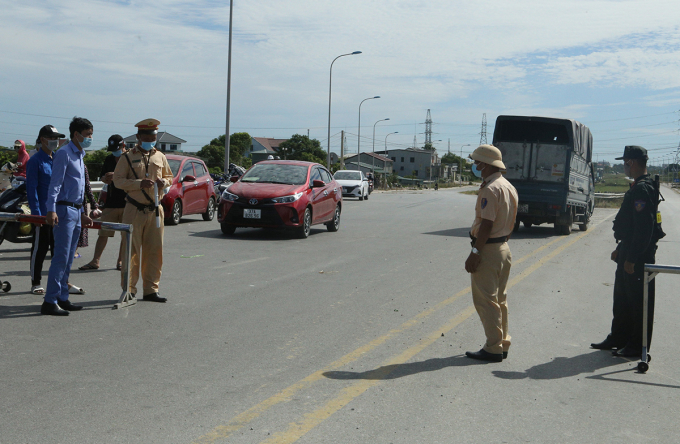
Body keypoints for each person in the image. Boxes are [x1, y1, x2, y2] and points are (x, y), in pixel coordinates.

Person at [591, 146, 664, 357]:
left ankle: (635, 346)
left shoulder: (643, 189)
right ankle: (618, 337)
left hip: (639, 255)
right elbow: (632, 227)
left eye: (625, 162)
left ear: (631, 162)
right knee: (622, 298)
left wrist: (632, 257)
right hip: (628, 249)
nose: (624, 166)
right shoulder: (639, 186)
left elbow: (644, 228)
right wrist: (620, 249)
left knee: (637, 301)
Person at [464, 145, 518, 362]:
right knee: (500, 300)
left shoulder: (490, 189)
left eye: (478, 163)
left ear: (486, 165)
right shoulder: (508, 186)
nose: (476, 166)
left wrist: (476, 251)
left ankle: (493, 347)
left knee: (486, 301)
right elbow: (511, 220)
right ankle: (502, 343)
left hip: (488, 249)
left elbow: (486, 224)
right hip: (503, 248)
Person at [113, 119, 173, 303]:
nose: (150, 140)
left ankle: (151, 290)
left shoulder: (160, 156)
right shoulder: (127, 157)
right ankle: (129, 290)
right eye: (147, 136)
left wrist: (165, 182)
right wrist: (139, 184)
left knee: (155, 251)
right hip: (134, 210)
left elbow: (170, 177)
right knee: (131, 252)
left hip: (155, 210)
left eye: (153, 136)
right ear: (138, 137)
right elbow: (118, 181)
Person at [41, 117, 94, 316]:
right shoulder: (64, 154)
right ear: (76, 134)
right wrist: (51, 209)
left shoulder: (80, 154)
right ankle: (50, 300)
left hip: (75, 210)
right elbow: (55, 184)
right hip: (63, 210)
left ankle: (62, 297)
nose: (90, 138)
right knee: (60, 258)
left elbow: (79, 189)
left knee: (69, 258)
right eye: (87, 135)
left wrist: (82, 213)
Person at [80, 135, 127, 271]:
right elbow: (102, 176)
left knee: (125, 234)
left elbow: (133, 177)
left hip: (127, 202)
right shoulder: (109, 159)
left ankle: (121, 261)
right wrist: (105, 178)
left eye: (117, 148)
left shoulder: (130, 159)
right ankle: (95, 261)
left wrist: (116, 175)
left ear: (123, 146)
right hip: (111, 202)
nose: (115, 152)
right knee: (103, 233)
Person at [26, 126, 63, 295]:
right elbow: (31, 189)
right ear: (42, 139)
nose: (54, 141)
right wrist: (36, 214)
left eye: (56, 137)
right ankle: (36, 282)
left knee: (58, 250)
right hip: (42, 212)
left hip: (58, 212)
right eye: (51, 137)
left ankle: (59, 282)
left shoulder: (56, 158)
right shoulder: (35, 161)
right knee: (40, 249)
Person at [74, 165, 101, 259]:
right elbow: (87, 187)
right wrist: (94, 205)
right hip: (79, 201)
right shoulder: (81, 165)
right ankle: (74, 251)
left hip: (65, 202)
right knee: (79, 227)